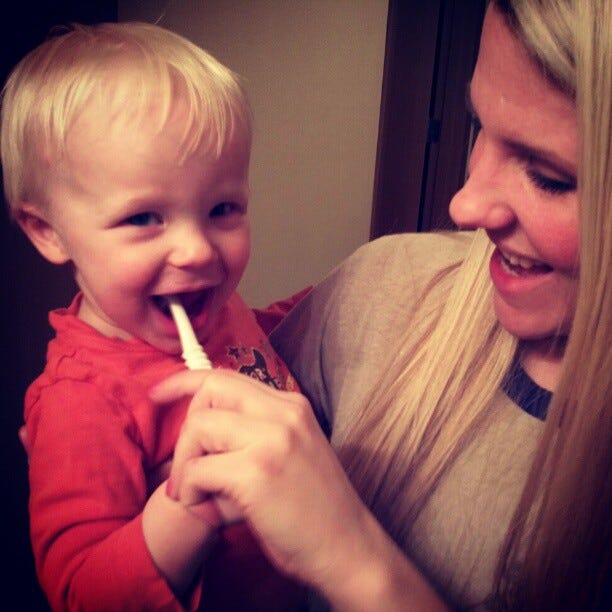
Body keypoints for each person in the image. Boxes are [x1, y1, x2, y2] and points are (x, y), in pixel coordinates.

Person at [150, 0, 611, 610]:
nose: (464, 206)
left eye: (549, 176)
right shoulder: (386, 282)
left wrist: (356, 563)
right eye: (477, 126)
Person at [0, 21, 308, 611]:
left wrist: (324, 302)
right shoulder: (81, 399)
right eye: (143, 218)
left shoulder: (210, 307)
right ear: (48, 231)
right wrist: (195, 508)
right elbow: (79, 592)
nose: (197, 250)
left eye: (223, 208)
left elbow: (254, 345)